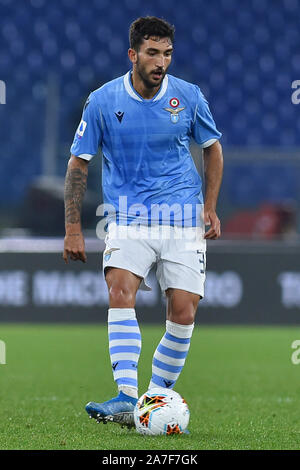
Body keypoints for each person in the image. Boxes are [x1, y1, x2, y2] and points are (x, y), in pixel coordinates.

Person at [63, 16, 223, 429]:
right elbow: (79, 163)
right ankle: (125, 396)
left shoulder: (188, 96)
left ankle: (152, 398)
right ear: (133, 54)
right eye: (153, 53)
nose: (161, 62)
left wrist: (209, 205)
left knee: (184, 312)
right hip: (128, 217)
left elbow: (212, 149)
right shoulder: (101, 101)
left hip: (182, 217)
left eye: (167, 54)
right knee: (120, 289)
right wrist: (73, 228)